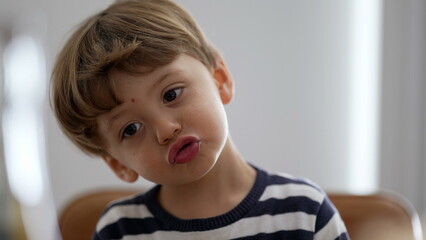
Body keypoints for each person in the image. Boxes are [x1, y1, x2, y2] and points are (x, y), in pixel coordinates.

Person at [51, 0, 350, 239]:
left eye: (171, 94)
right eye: (131, 128)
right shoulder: (119, 230)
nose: (166, 130)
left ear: (220, 80)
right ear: (119, 164)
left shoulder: (304, 212)